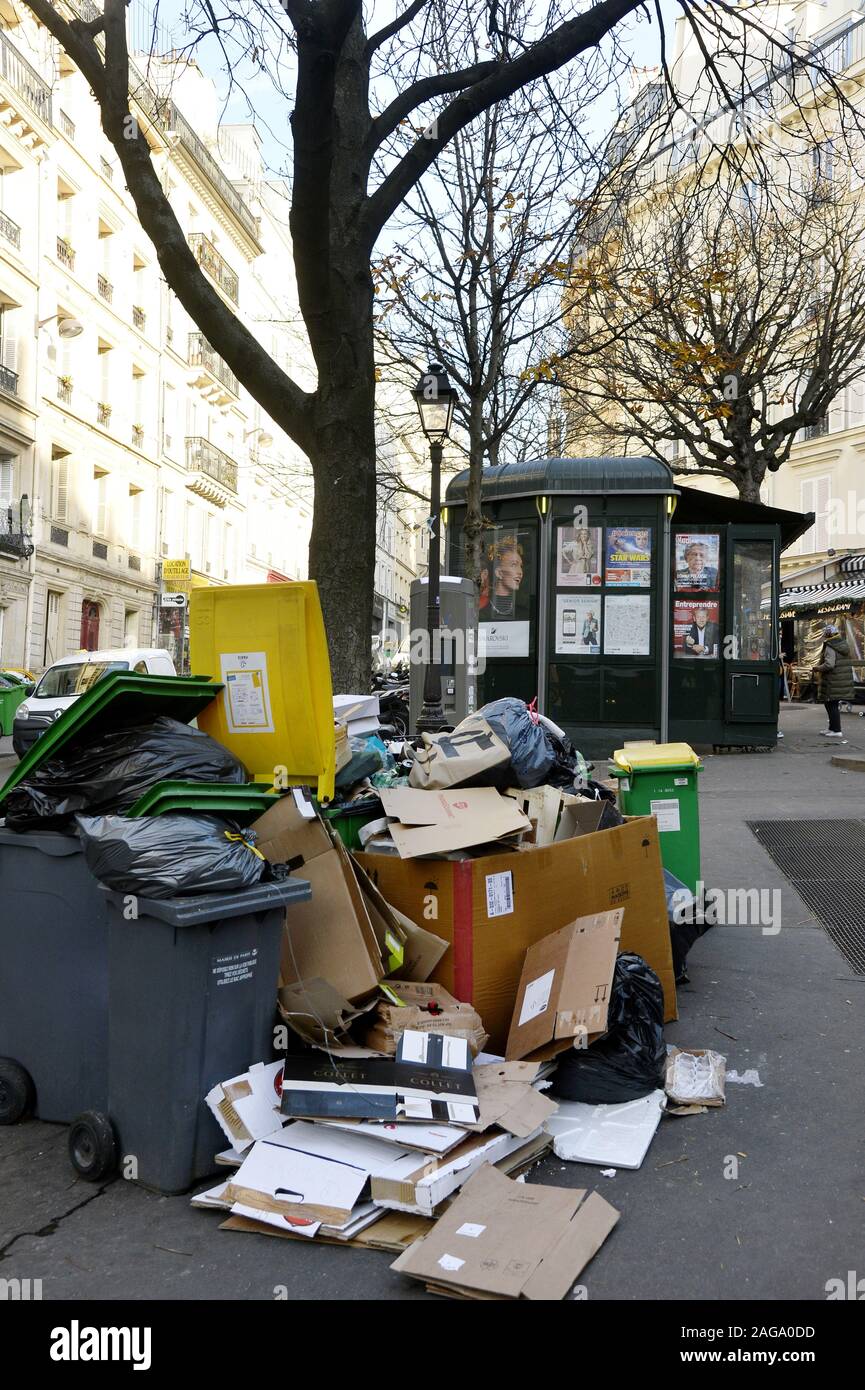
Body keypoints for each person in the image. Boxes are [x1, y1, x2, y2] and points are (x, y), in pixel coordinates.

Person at [813, 622, 854, 739]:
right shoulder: (841, 644)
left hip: (833, 680)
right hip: (839, 680)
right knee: (831, 703)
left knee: (831, 704)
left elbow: (829, 665)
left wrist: (817, 668)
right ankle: (832, 728)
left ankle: (836, 730)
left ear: (828, 635)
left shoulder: (831, 646)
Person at [486, 536, 524, 617]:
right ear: (499, 573)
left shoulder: (523, 612)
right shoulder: (481, 612)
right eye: (514, 565)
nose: (520, 572)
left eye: (521, 566)